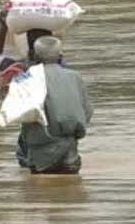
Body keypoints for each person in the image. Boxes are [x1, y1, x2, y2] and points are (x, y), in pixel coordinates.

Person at [17, 36, 93, 174]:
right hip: (70, 158)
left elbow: (21, 114)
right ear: (60, 56)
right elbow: (87, 112)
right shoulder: (75, 76)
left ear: (34, 56)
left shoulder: (27, 78)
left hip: (40, 160)